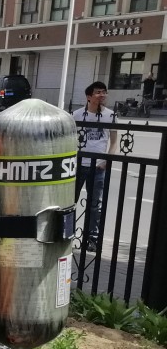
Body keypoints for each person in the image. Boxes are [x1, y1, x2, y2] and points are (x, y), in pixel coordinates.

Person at [72, 80, 118, 251]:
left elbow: (114, 141)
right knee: (70, 202)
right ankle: (67, 234)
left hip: (98, 167)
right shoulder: (76, 115)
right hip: (78, 165)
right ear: (89, 96)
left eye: (104, 92)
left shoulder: (110, 115)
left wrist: (107, 160)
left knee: (94, 204)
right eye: (98, 92)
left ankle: (92, 239)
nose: (102, 95)